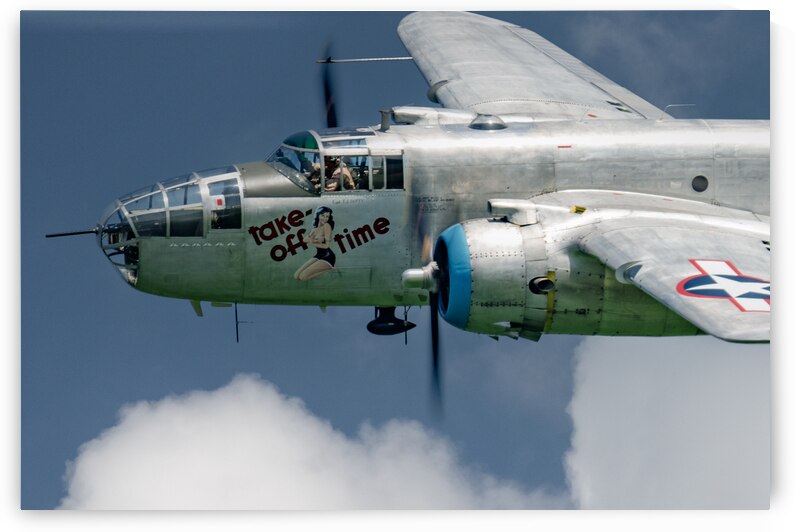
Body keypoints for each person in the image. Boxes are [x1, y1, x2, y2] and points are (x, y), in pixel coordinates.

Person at [294, 206, 336, 281]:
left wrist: (312, 242)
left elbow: (326, 246)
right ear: (318, 215)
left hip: (328, 256)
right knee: (296, 276)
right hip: (319, 255)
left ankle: (329, 268)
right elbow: (304, 240)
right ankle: (325, 268)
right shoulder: (315, 229)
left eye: (327, 216)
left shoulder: (327, 226)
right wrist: (314, 239)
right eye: (323, 215)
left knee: (302, 277)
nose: (325, 218)